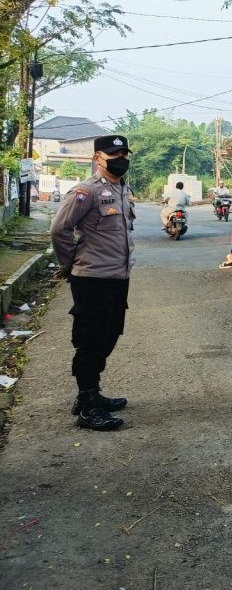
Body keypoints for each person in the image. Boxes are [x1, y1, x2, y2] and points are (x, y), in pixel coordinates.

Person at [50, 134, 135, 431]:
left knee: (109, 335)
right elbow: (60, 229)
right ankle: (87, 405)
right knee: (91, 341)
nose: (120, 159)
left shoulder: (123, 189)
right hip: (92, 278)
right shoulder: (86, 192)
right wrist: (69, 265)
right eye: (114, 154)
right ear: (97, 159)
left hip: (117, 276)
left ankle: (92, 393)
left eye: (124, 153)